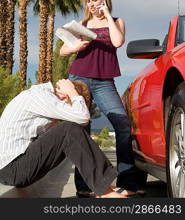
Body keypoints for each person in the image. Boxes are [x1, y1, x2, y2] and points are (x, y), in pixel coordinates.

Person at [60, 0, 147, 197]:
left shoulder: (116, 21)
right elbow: (63, 50)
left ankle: (128, 182)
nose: (91, 5)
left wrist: (107, 15)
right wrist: (76, 46)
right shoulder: (82, 23)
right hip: (79, 77)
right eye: (88, 1)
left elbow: (117, 42)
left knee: (122, 124)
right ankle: (84, 186)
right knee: (82, 129)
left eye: (95, 0)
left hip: (104, 82)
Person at [0, 79, 128, 198]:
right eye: (72, 104)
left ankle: (103, 184)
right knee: (69, 129)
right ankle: (104, 190)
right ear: (65, 96)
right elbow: (83, 118)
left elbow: (50, 142)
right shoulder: (41, 96)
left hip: (16, 168)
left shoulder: (43, 99)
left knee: (67, 130)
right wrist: (72, 91)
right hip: (12, 168)